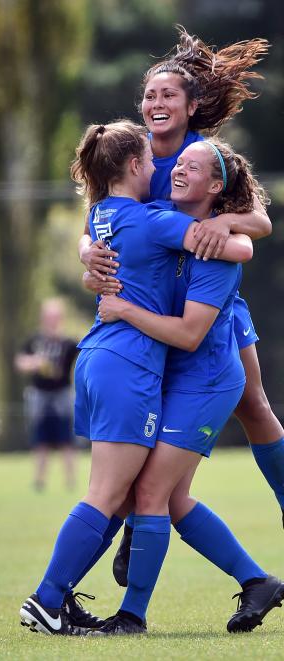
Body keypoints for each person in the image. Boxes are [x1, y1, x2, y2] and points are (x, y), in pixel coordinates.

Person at [19, 120, 255, 637]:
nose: (158, 168)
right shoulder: (153, 221)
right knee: (107, 494)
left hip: (97, 355)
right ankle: (46, 599)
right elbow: (238, 251)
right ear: (132, 166)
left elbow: (97, 242)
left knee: (120, 495)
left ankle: (59, 599)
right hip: (130, 363)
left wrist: (90, 262)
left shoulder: (102, 215)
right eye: (150, 161)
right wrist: (230, 228)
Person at [79, 27, 284, 580]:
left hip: (208, 309)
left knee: (253, 405)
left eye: (169, 95)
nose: (156, 103)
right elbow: (98, 223)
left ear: (192, 106)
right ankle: (136, 529)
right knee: (148, 455)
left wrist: (220, 224)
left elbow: (258, 222)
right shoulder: (131, 159)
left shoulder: (204, 157)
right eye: (150, 96)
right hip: (154, 312)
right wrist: (87, 254)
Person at [87, 138, 284, 636]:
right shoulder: (161, 215)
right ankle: (257, 582)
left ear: (215, 187)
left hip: (208, 380)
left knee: (153, 490)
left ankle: (131, 617)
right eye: (177, 166)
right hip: (174, 375)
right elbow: (102, 222)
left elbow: (191, 334)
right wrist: (91, 255)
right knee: (168, 499)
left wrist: (123, 308)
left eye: (192, 168)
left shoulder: (216, 251)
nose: (177, 171)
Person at [15, 299, 79, 491]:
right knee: (40, 439)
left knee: (66, 438)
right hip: (39, 394)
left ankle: (70, 480)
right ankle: (39, 480)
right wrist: (34, 362)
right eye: (48, 316)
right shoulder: (35, 341)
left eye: (55, 317)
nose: (51, 320)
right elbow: (20, 362)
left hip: (62, 394)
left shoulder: (68, 342)